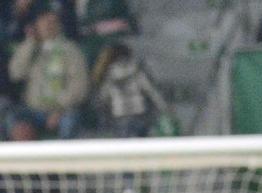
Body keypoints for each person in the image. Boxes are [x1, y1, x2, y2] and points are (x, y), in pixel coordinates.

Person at [7, 10, 88, 140]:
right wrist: (30, 44)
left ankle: (64, 159)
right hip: (34, 110)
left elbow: (79, 86)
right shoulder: (31, 49)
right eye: (44, 23)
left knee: (70, 121)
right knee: (14, 118)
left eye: (52, 22)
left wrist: (59, 110)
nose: (48, 26)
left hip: (63, 109)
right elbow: (16, 74)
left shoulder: (71, 50)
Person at [91, 43, 169, 139]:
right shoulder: (137, 70)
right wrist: (164, 108)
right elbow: (151, 91)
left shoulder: (110, 74)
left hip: (120, 114)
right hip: (139, 112)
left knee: (124, 147)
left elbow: (103, 97)